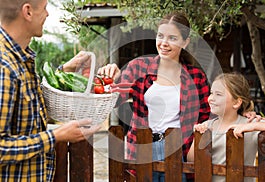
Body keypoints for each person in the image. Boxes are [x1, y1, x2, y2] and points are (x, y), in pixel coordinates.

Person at [99, 11, 211, 181]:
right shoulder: (138, 67)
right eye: (161, 36)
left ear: (185, 42)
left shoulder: (196, 77)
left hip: (178, 151)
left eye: (172, 38)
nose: (164, 43)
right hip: (141, 147)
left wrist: (247, 113)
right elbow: (113, 99)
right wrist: (110, 79)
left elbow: (207, 116)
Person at [0, 0, 100, 181]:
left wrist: (64, 71)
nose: (47, 14)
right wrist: (54, 136)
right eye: (45, 8)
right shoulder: (4, 68)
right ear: (28, 12)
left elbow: (26, 101)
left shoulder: (20, 59)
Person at [187, 72, 265, 182]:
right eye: (211, 93)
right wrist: (198, 137)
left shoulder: (249, 124)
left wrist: (253, 126)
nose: (211, 98)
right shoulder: (207, 125)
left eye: (218, 94)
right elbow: (191, 160)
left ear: (237, 103)